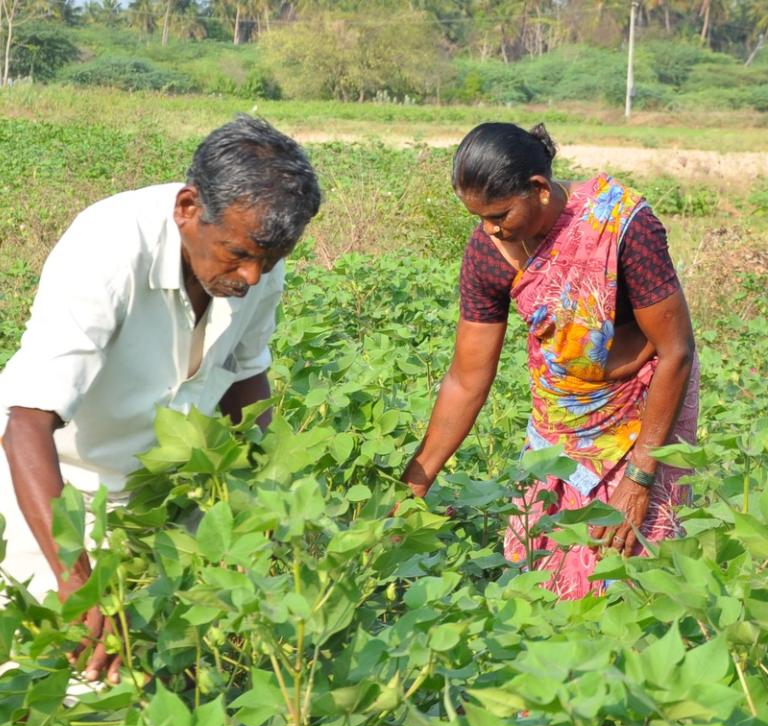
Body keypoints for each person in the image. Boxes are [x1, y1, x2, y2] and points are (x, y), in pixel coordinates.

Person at [0, 115, 321, 681]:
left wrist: (263, 506)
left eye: (267, 261)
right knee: (60, 681)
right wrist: (79, 584)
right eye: (237, 254)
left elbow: (246, 383)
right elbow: (26, 423)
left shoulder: (257, 254)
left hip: (166, 502)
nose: (250, 276)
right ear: (188, 208)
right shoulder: (108, 248)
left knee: (163, 683)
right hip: (62, 495)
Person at [401, 122, 698, 600]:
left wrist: (640, 477)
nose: (490, 229)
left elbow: (675, 351)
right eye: (478, 218)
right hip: (560, 417)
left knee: (632, 574)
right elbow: (466, 379)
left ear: (538, 189)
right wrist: (416, 482)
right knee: (541, 565)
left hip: (645, 406)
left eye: (499, 214)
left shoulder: (621, 225)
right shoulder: (489, 255)